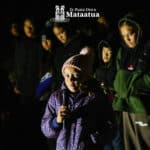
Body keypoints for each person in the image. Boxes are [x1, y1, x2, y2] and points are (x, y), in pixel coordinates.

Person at [41, 47, 114, 150]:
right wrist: (56, 122)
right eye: (67, 75)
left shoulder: (96, 98)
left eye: (76, 76)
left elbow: (109, 125)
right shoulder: (56, 98)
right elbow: (46, 129)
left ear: (86, 77)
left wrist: (94, 136)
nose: (70, 79)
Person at [113, 12, 150, 150]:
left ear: (139, 30)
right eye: (123, 36)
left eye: (130, 33)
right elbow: (118, 78)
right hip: (126, 109)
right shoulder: (122, 53)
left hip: (144, 107)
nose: (127, 39)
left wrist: (132, 85)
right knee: (130, 144)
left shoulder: (147, 49)